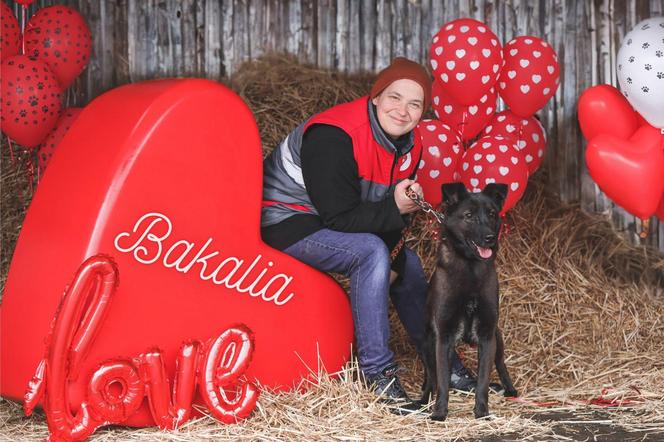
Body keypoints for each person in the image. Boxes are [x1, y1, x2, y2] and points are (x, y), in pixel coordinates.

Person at [260, 57, 477, 405]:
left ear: (423, 112)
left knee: (407, 264)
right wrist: (392, 220)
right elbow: (340, 218)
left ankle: (444, 364)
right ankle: (377, 374)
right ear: (375, 97)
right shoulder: (333, 136)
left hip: (334, 218)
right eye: (394, 97)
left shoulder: (412, 144)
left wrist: (395, 247)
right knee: (369, 252)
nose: (403, 111)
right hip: (286, 220)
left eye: (414, 103)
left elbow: (384, 211)